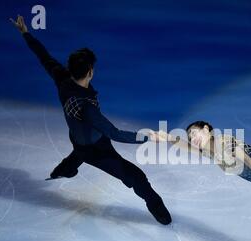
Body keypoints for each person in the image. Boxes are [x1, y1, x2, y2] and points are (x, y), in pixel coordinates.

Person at [10, 15, 171, 225]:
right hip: (96, 149)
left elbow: (44, 57)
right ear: (90, 72)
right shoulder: (87, 108)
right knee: (136, 176)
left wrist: (25, 33)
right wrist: (148, 137)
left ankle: (66, 169)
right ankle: (157, 208)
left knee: (78, 151)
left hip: (79, 138)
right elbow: (114, 133)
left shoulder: (63, 79)